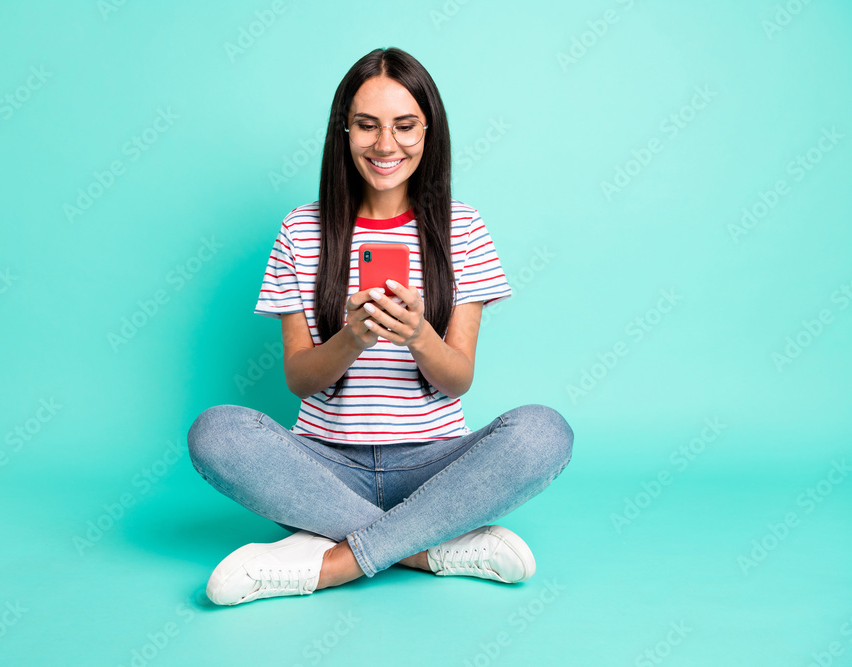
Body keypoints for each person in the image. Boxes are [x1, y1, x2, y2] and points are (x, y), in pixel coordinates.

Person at [187, 47, 574, 606]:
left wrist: (419, 335)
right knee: (215, 431)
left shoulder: (461, 228)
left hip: (433, 468)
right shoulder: (302, 230)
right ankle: (424, 547)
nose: (385, 145)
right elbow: (301, 380)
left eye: (404, 126)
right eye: (367, 125)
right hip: (326, 468)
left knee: (545, 432)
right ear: (343, 130)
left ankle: (332, 560)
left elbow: (458, 379)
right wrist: (352, 338)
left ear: (428, 131)